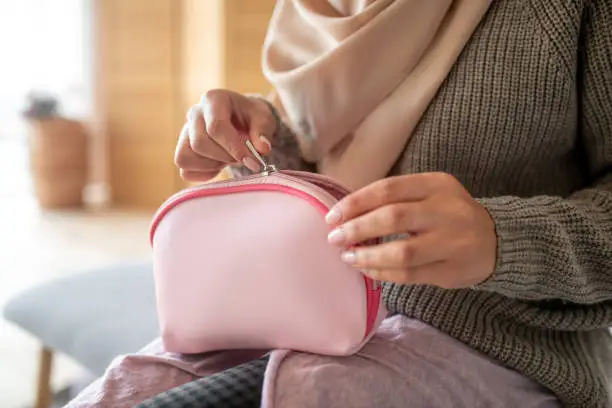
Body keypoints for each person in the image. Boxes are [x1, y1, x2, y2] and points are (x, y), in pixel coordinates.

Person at [66, 0, 612, 407]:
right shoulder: (310, 11)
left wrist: (499, 238)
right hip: (284, 304)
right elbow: (322, 150)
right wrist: (262, 136)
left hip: (498, 343)